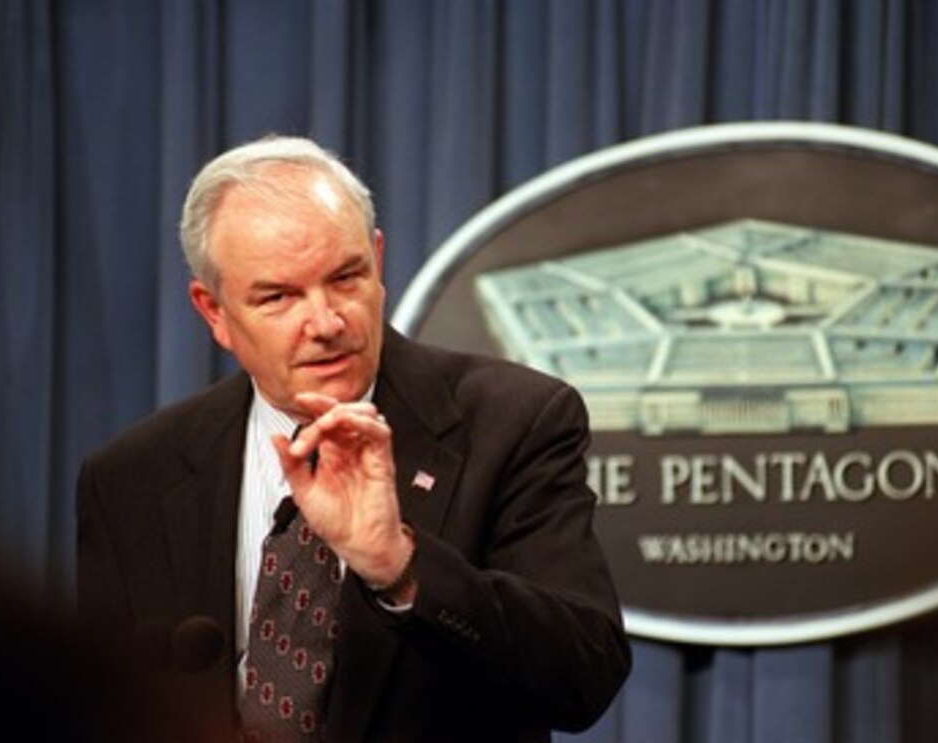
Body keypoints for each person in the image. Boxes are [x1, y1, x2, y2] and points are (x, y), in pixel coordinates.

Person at [76, 135, 631, 743]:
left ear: (378, 260)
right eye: (279, 296)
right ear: (214, 312)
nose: (326, 322)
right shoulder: (133, 478)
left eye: (345, 278)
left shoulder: (513, 422)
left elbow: (585, 675)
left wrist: (400, 566)